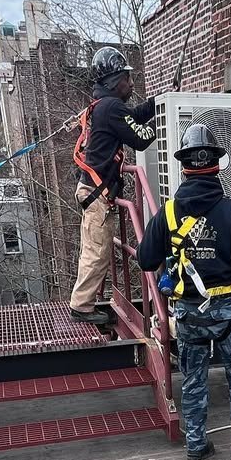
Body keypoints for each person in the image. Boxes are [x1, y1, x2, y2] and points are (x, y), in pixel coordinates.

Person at [137, 124, 231, 460]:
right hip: (226, 310)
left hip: (188, 313)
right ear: (217, 165)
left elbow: (144, 258)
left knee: (194, 380)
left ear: (184, 167)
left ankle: (196, 445)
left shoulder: (167, 214)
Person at [70, 46, 159, 327]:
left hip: (92, 192)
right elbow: (141, 137)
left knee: (95, 249)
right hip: (97, 195)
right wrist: (166, 119)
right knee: (97, 251)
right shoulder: (111, 108)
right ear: (113, 81)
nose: (131, 84)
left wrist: (157, 103)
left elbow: (130, 119)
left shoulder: (104, 107)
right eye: (126, 78)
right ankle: (81, 307)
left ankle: (82, 302)